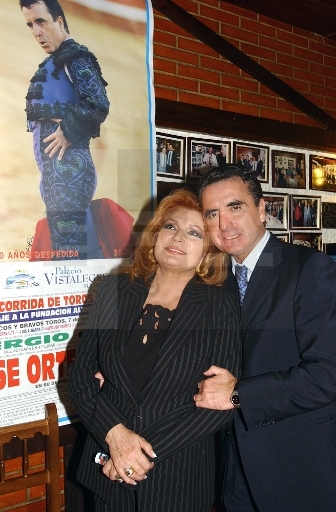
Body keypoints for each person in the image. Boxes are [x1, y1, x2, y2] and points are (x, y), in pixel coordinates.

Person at [68, 188, 241, 512]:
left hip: (178, 479)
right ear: (156, 234)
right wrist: (115, 436)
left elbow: (218, 405)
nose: (178, 237)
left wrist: (139, 454)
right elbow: (80, 375)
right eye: (171, 226)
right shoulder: (114, 289)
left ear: (207, 249)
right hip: (108, 471)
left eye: (194, 233)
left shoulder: (221, 306)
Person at [194, 164, 336, 512]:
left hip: (298, 468)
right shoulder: (215, 282)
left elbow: (328, 374)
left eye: (235, 206)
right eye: (212, 213)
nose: (224, 223)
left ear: (261, 209)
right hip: (233, 469)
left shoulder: (309, 268)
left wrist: (239, 393)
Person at [20, 0, 110, 259]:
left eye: (41, 21)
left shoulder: (76, 57)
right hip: (58, 174)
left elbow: (98, 103)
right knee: (71, 250)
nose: (37, 32)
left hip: (68, 174)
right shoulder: (59, 60)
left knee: (73, 253)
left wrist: (68, 130)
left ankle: (94, 298)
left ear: (59, 20)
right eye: (30, 24)